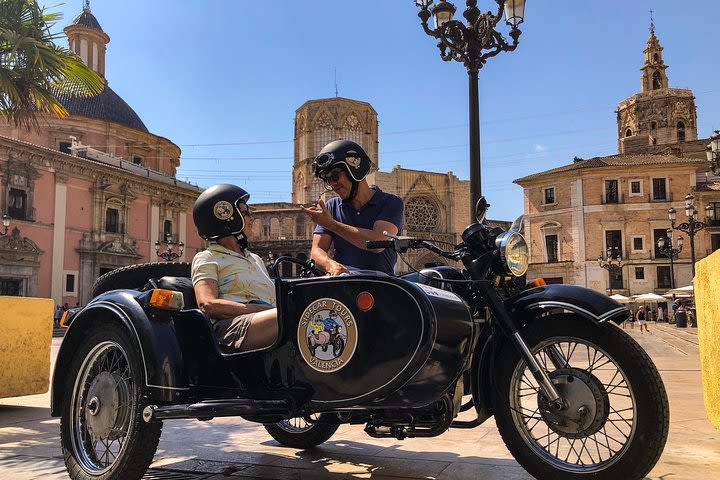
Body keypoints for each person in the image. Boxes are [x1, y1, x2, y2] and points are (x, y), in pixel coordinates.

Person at [191, 184, 278, 352]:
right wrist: (262, 310)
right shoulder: (207, 257)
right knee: (296, 318)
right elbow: (207, 304)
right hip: (232, 329)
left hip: (267, 321)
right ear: (226, 216)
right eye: (246, 213)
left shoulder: (255, 259)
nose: (252, 218)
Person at [302, 140, 404, 276]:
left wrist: (331, 224)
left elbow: (378, 243)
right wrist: (331, 265)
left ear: (355, 169)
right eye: (328, 180)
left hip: (381, 283)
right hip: (343, 280)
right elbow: (317, 250)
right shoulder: (331, 206)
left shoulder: (391, 202)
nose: (333, 184)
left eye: (335, 176)